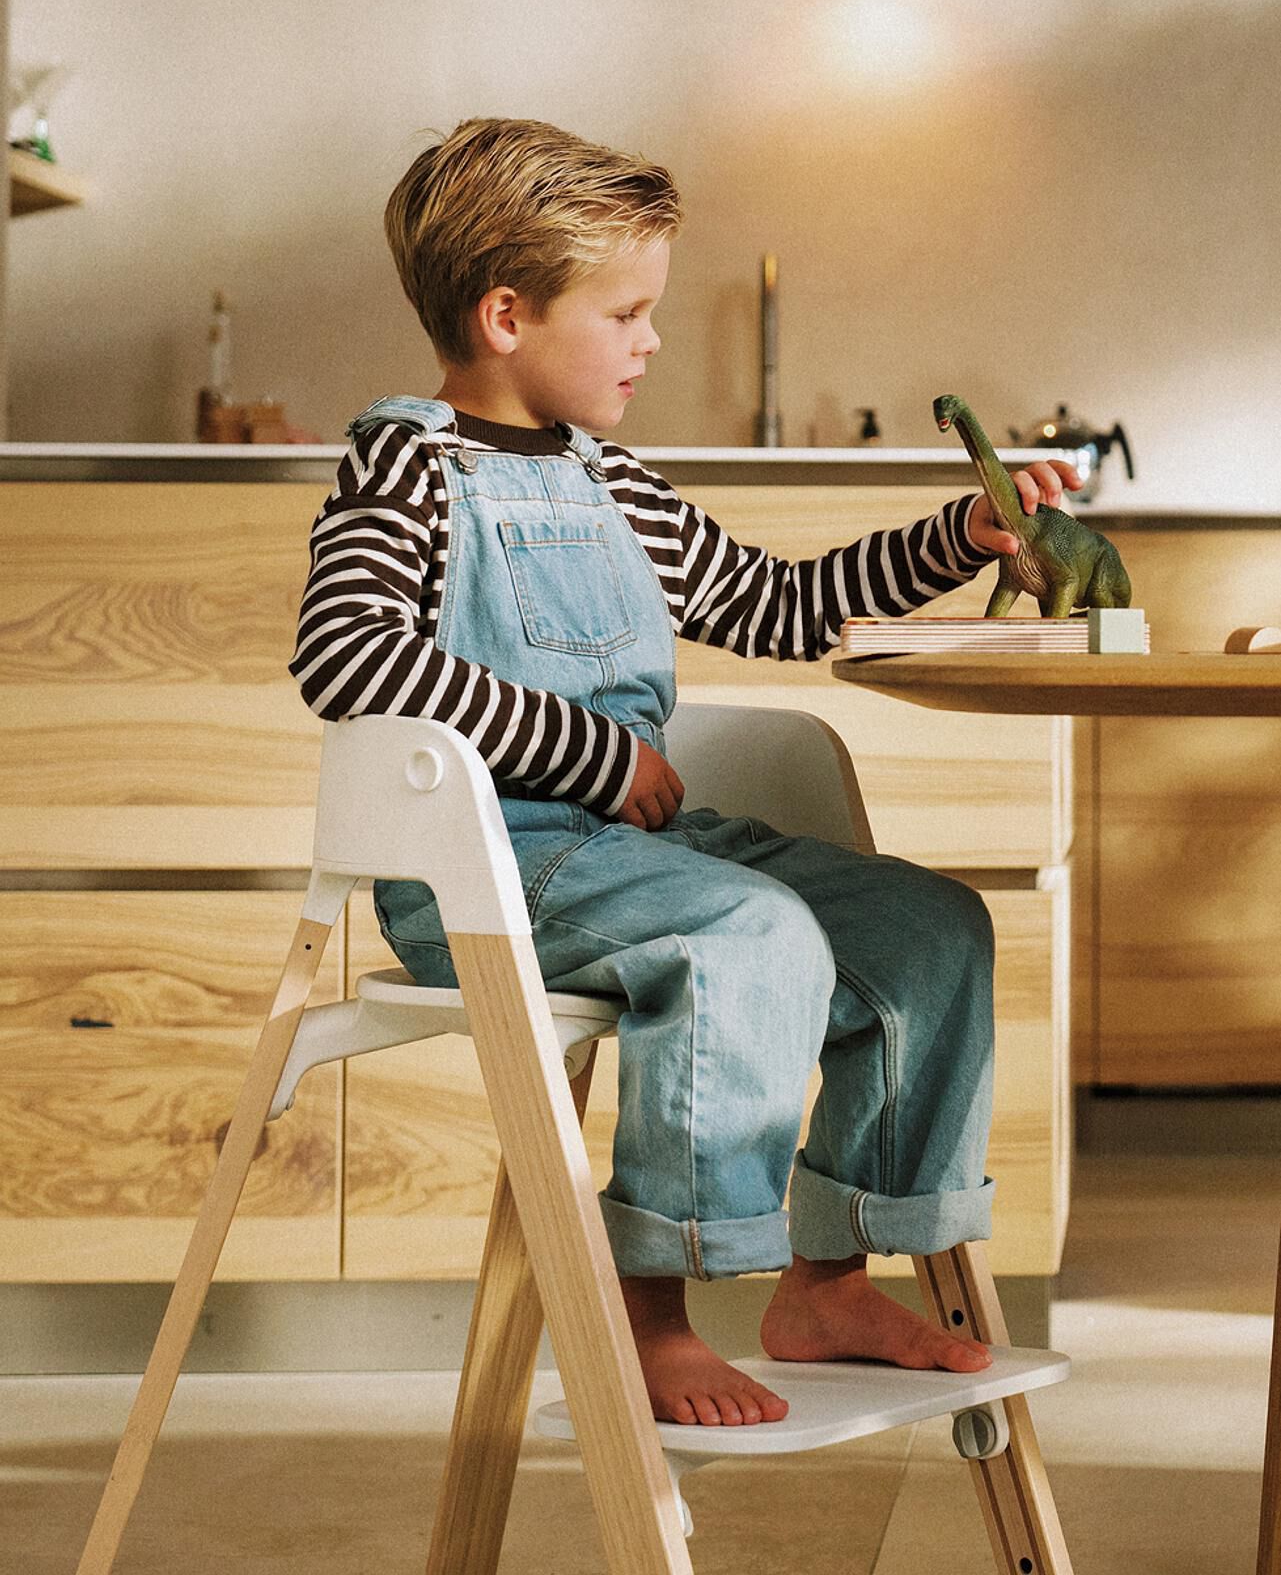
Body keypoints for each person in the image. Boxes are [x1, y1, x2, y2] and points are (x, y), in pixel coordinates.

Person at [290, 117, 1081, 1428]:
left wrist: (959, 533)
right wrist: (587, 751)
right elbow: (348, 654)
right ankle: (654, 1307)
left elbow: (776, 602)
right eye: (626, 313)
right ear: (504, 316)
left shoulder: (615, 482)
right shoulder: (410, 465)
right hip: (491, 867)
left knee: (927, 928)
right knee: (749, 935)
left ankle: (826, 1279)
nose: (651, 341)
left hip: (636, 858)